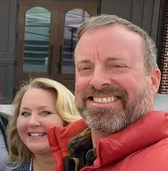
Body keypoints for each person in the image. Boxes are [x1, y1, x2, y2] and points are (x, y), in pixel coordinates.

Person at [47, 14, 168, 171]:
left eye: (117, 66)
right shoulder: (73, 151)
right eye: (85, 68)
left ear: (153, 81)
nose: (97, 81)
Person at [7, 78, 82, 171]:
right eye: (25, 113)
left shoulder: (90, 166)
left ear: (67, 120)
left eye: (45, 112)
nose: (32, 122)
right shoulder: (10, 168)